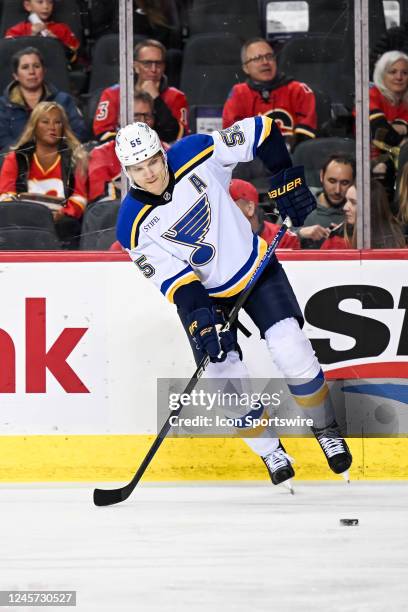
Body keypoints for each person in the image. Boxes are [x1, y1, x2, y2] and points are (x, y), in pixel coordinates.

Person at [114, 117, 352, 487]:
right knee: (223, 383)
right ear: (126, 170)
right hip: (205, 296)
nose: (148, 173)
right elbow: (177, 281)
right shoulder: (130, 224)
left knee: (291, 348)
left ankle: (326, 430)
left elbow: (266, 129)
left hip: (256, 269)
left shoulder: (195, 151)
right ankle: (272, 451)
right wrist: (201, 320)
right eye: (137, 168)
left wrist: (284, 177)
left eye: (152, 162)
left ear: (162, 153)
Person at [0, 101, 87, 249]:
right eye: (45, 122)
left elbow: (79, 197)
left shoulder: (74, 158)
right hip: (22, 223)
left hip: (61, 225)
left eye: (57, 122)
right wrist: (26, 214)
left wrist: (63, 213)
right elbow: (4, 194)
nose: (52, 127)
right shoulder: (16, 158)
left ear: (63, 127)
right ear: (34, 126)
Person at [222, 38, 317, 150]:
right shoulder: (238, 94)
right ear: (245, 68)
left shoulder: (299, 90)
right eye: (257, 58)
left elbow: (307, 134)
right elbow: (232, 137)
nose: (265, 62)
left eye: (269, 56)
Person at [93, 39, 189, 143]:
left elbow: (179, 135)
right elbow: (102, 134)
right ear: (135, 66)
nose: (153, 69)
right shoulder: (113, 94)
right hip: (121, 154)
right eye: (147, 63)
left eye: (159, 63)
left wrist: (157, 100)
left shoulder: (176, 96)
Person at [88, 91, 169, 205]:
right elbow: (103, 206)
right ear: (121, 118)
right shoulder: (101, 154)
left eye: (147, 116)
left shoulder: (166, 150)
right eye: (136, 116)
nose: (142, 122)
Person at [0, 47, 87, 152]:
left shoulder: (63, 100)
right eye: (25, 67)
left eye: (36, 66)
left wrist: (51, 151)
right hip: (17, 160)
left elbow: (78, 132)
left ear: (44, 71)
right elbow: (3, 140)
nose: (32, 72)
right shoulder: (3, 105)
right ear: (16, 76)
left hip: (59, 157)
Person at [321, 180, 406, 249]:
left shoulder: (397, 243)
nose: (345, 207)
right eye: (346, 201)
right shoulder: (336, 242)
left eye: (353, 202)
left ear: (371, 208)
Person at [300, 153, 355, 248]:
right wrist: (300, 234)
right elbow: (273, 242)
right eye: (332, 181)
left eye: (344, 183)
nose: (337, 190)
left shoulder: (355, 212)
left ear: (354, 181)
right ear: (321, 176)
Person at [230, 178, 300, 248]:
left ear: (250, 208)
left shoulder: (283, 239)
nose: (221, 210)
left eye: (228, 204)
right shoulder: (220, 240)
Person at [4, 0, 80, 63]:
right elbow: (10, 58)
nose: (46, 7)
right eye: (40, 2)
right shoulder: (17, 30)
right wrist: (32, 37)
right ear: (28, 5)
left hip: (56, 69)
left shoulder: (62, 28)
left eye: (50, 2)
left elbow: (72, 58)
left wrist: (56, 42)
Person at [369, 51, 408, 156]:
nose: (399, 77)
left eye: (405, 73)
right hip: (370, 161)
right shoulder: (370, 96)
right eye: (392, 72)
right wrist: (402, 134)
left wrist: (390, 128)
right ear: (382, 74)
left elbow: (387, 136)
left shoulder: (405, 101)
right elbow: (381, 135)